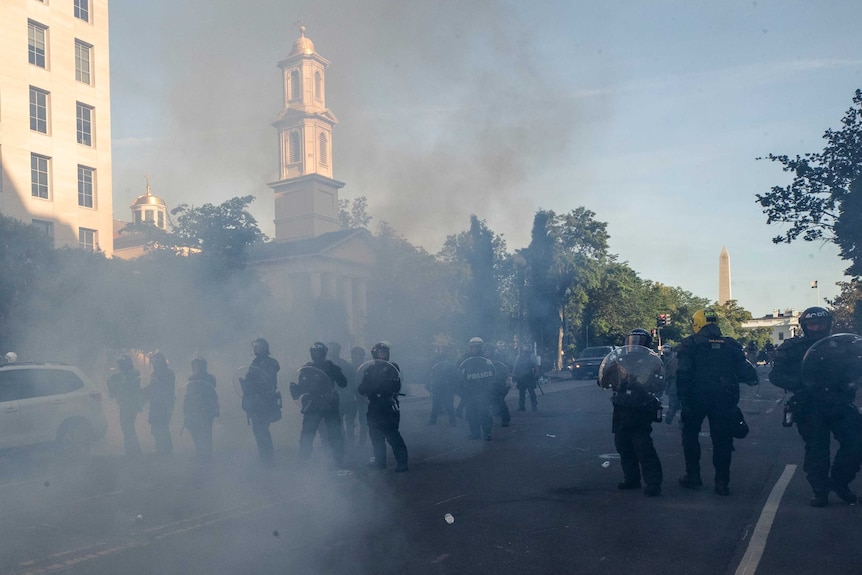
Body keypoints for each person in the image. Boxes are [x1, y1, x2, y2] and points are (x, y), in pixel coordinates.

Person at [770, 307, 862, 507]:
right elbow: (776, 375)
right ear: (805, 326)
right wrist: (802, 383)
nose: (817, 328)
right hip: (809, 403)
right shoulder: (792, 347)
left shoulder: (842, 344)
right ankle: (820, 491)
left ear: (828, 324)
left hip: (839, 401)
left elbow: (856, 366)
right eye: (812, 324)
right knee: (817, 450)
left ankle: (840, 482)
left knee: (856, 443)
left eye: (821, 324)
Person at [677, 310, 758, 496]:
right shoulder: (731, 344)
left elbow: (683, 374)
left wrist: (683, 399)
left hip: (696, 397)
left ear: (697, 323)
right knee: (722, 440)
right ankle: (722, 482)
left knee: (690, 436)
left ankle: (693, 476)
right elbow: (747, 373)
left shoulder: (689, 344)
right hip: (724, 397)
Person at [606, 328, 664, 496]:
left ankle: (653, 483)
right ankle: (631, 479)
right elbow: (605, 380)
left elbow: (658, 382)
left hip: (641, 407)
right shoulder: (620, 359)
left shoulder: (652, 361)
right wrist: (609, 373)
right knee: (623, 446)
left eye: (638, 340)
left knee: (644, 448)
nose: (634, 344)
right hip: (622, 406)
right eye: (632, 340)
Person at [289, 342, 347, 468]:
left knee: (334, 432)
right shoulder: (307, 369)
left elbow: (343, 383)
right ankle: (303, 460)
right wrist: (295, 389)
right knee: (307, 433)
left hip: (329, 404)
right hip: (313, 404)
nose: (316, 354)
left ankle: (338, 459)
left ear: (324, 353)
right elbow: (302, 388)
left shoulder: (330, 366)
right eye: (314, 352)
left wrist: (336, 371)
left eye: (318, 352)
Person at [358, 342, 408, 471]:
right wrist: (365, 389)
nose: (382, 355)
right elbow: (362, 387)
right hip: (374, 405)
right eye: (380, 352)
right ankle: (380, 462)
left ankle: (402, 463)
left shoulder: (392, 367)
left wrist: (377, 387)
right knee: (375, 435)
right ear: (374, 353)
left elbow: (395, 385)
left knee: (392, 434)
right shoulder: (369, 370)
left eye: (384, 352)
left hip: (388, 404)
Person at [240, 338, 281, 465]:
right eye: (254, 346)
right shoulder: (254, 364)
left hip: (266, 402)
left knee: (262, 430)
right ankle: (265, 458)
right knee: (258, 431)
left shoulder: (271, 363)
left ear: (265, 348)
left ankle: (268, 459)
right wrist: (245, 384)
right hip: (255, 402)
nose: (256, 349)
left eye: (259, 346)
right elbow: (250, 381)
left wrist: (253, 384)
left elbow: (267, 381)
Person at [459, 337, 496, 441]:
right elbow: (459, 374)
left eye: (477, 347)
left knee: (484, 413)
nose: (475, 349)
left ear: (481, 348)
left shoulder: (487, 360)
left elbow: (493, 374)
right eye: (473, 347)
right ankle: (475, 433)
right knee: (471, 413)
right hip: (470, 391)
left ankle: (487, 432)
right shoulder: (464, 360)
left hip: (483, 391)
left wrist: (490, 388)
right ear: (469, 348)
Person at [183, 357, 219, 464]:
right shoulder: (191, 379)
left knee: (206, 433)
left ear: (204, 366)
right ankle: (200, 453)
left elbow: (212, 393)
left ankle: (206, 457)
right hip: (193, 410)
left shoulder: (210, 378)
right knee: (195, 432)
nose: (197, 367)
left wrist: (214, 407)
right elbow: (188, 395)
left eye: (199, 365)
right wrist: (186, 408)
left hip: (206, 410)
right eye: (195, 365)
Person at [107, 355, 143, 456]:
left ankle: (133, 451)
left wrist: (115, 382)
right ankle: (132, 450)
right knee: (127, 427)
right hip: (126, 404)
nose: (120, 366)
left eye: (121, 364)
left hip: (130, 405)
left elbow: (127, 388)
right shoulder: (126, 374)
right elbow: (115, 393)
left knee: (128, 427)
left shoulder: (132, 374)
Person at [330, 342, 361, 446]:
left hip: (343, 398)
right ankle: (347, 442)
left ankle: (346, 442)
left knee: (345, 423)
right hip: (341, 398)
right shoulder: (345, 364)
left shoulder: (342, 365)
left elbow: (353, 382)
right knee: (344, 423)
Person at [146, 352, 175, 456]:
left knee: (163, 427)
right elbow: (151, 388)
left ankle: (167, 450)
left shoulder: (168, 373)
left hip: (164, 404)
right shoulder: (154, 374)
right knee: (155, 428)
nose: (154, 364)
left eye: (156, 362)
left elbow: (168, 390)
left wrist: (169, 404)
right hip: (155, 404)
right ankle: (160, 449)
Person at [428, 349, 459, 426]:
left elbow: (432, 378)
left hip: (438, 388)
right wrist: (454, 386)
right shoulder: (452, 365)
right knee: (449, 405)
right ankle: (453, 422)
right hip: (448, 388)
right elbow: (456, 376)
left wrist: (432, 388)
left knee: (435, 405)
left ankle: (432, 421)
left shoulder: (435, 366)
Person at [485, 342, 512, 428]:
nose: (487, 351)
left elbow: (502, 368)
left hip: (498, 381)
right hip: (489, 381)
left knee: (499, 400)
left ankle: (506, 419)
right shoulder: (483, 357)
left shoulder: (498, 357)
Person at [351, 346, 369, 446]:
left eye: (358, 354)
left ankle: (362, 441)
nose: (356, 357)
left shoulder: (367, 367)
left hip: (363, 397)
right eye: (354, 354)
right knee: (350, 420)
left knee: (363, 420)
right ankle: (350, 440)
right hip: (352, 397)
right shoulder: (349, 367)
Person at [513, 346, 539, 412]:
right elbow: (515, 366)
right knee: (524, 392)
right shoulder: (520, 356)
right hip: (524, 377)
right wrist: (514, 374)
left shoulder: (531, 356)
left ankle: (532, 406)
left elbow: (535, 365)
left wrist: (536, 374)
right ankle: (524, 406)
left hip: (527, 376)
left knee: (529, 392)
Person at [662, 344, 681, 425]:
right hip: (683, 383)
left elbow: (667, 373)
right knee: (684, 403)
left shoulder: (673, 360)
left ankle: (670, 416)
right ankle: (681, 420)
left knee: (673, 402)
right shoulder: (689, 359)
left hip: (674, 382)